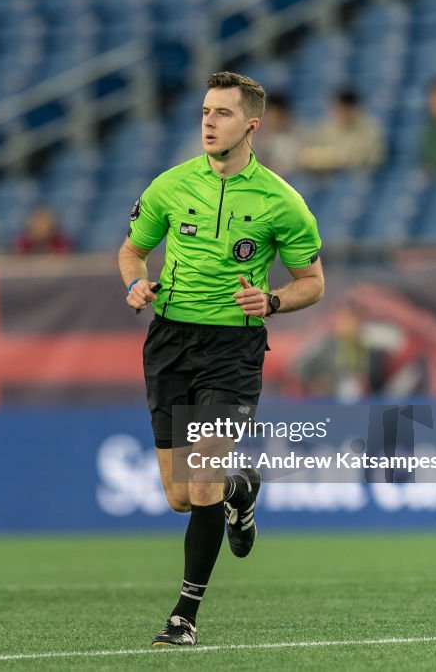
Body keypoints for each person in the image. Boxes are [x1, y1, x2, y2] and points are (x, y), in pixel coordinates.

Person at [118, 72, 325, 646]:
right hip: (170, 343)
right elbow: (132, 251)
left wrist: (275, 300)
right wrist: (135, 284)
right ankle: (242, 489)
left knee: (200, 479)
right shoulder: (171, 185)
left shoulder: (282, 202)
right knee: (181, 495)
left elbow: (313, 282)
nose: (208, 122)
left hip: (233, 348)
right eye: (205, 111)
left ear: (251, 125)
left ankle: (183, 617)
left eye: (222, 114)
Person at [296, 89, 384, 173]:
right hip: (331, 175)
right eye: (338, 109)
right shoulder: (328, 127)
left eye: (344, 109)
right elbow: (311, 152)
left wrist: (342, 158)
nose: (341, 113)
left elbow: (374, 157)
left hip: (360, 175)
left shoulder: (370, 128)